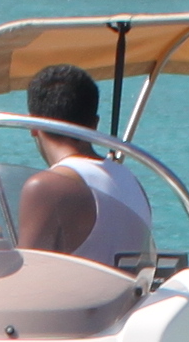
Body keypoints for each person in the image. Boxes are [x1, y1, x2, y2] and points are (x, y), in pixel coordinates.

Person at [13, 63, 154, 266]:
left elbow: (25, 276)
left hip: (78, 298)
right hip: (132, 297)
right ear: (94, 124)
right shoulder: (130, 180)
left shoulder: (46, 187)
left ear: (34, 125)